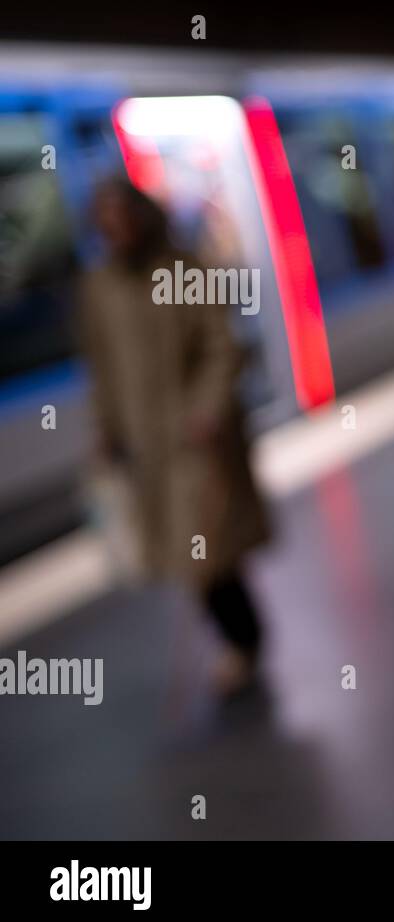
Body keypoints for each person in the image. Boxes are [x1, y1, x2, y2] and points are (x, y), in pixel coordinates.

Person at [79, 177, 271, 697]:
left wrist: (208, 408)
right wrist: (107, 429)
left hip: (198, 440)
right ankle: (240, 637)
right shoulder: (99, 288)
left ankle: (243, 640)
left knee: (207, 549)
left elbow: (223, 345)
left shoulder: (186, 269)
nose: (117, 230)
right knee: (191, 554)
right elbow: (103, 368)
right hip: (148, 446)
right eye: (107, 222)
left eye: (124, 217)